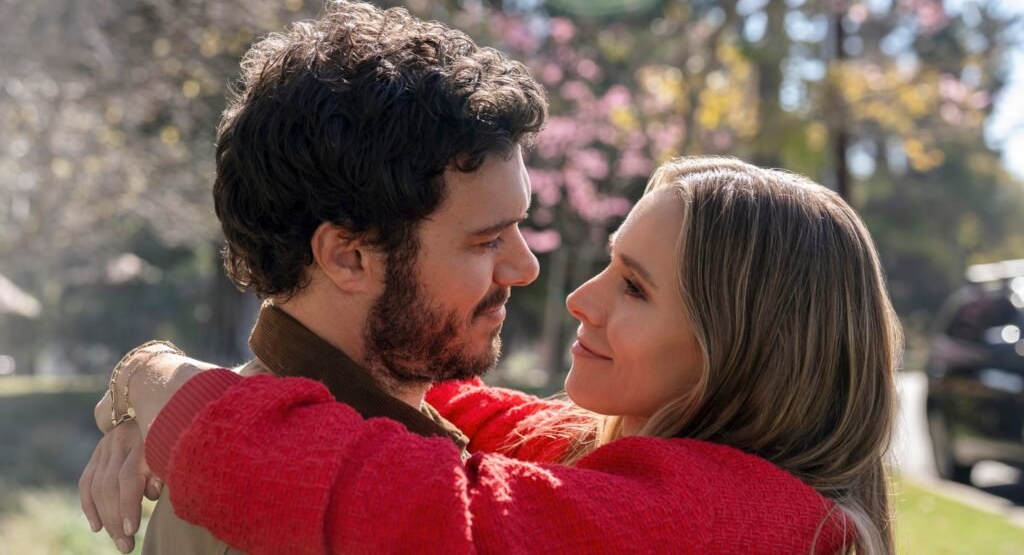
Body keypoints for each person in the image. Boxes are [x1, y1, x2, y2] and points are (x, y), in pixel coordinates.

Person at [93, 157, 902, 554]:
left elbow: (413, 510)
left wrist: (170, 388)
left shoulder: (736, 526)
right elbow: (447, 406)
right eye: (610, 264)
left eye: (635, 287)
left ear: (746, 352)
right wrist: (192, 384)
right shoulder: (632, 457)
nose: (578, 296)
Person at [78, 0, 546, 555]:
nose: (526, 267)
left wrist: (151, 376)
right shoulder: (280, 509)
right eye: (487, 240)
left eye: (519, 227)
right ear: (348, 257)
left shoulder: (266, 451)